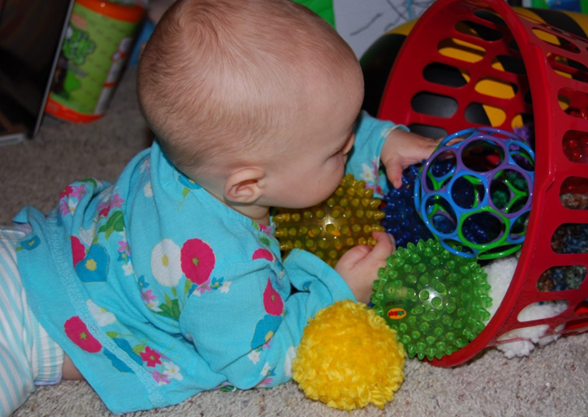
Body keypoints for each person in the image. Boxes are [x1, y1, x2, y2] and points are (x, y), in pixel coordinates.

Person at [0, 0, 441, 414]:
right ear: (247, 185)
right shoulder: (226, 272)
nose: (351, 144)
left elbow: (314, 131)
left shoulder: (201, 151)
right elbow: (256, 363)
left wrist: (380, 141)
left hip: (21, 255)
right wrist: (339, 293)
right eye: (339, 153)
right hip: (23, 332)